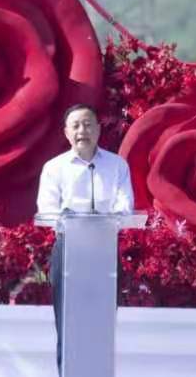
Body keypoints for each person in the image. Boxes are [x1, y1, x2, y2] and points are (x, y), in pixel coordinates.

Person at [36, 104, 134, 376]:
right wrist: (72, 220)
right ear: (67, 133)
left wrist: (107, 217)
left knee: (101, 326)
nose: (83, 131)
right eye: (76, 125)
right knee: (68, 326)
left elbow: (125, 208)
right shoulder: (54, 168)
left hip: (104, 254)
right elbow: (47, 210)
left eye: (89, 124)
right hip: (69, 251)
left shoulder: (116, 166)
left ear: (99, 129)